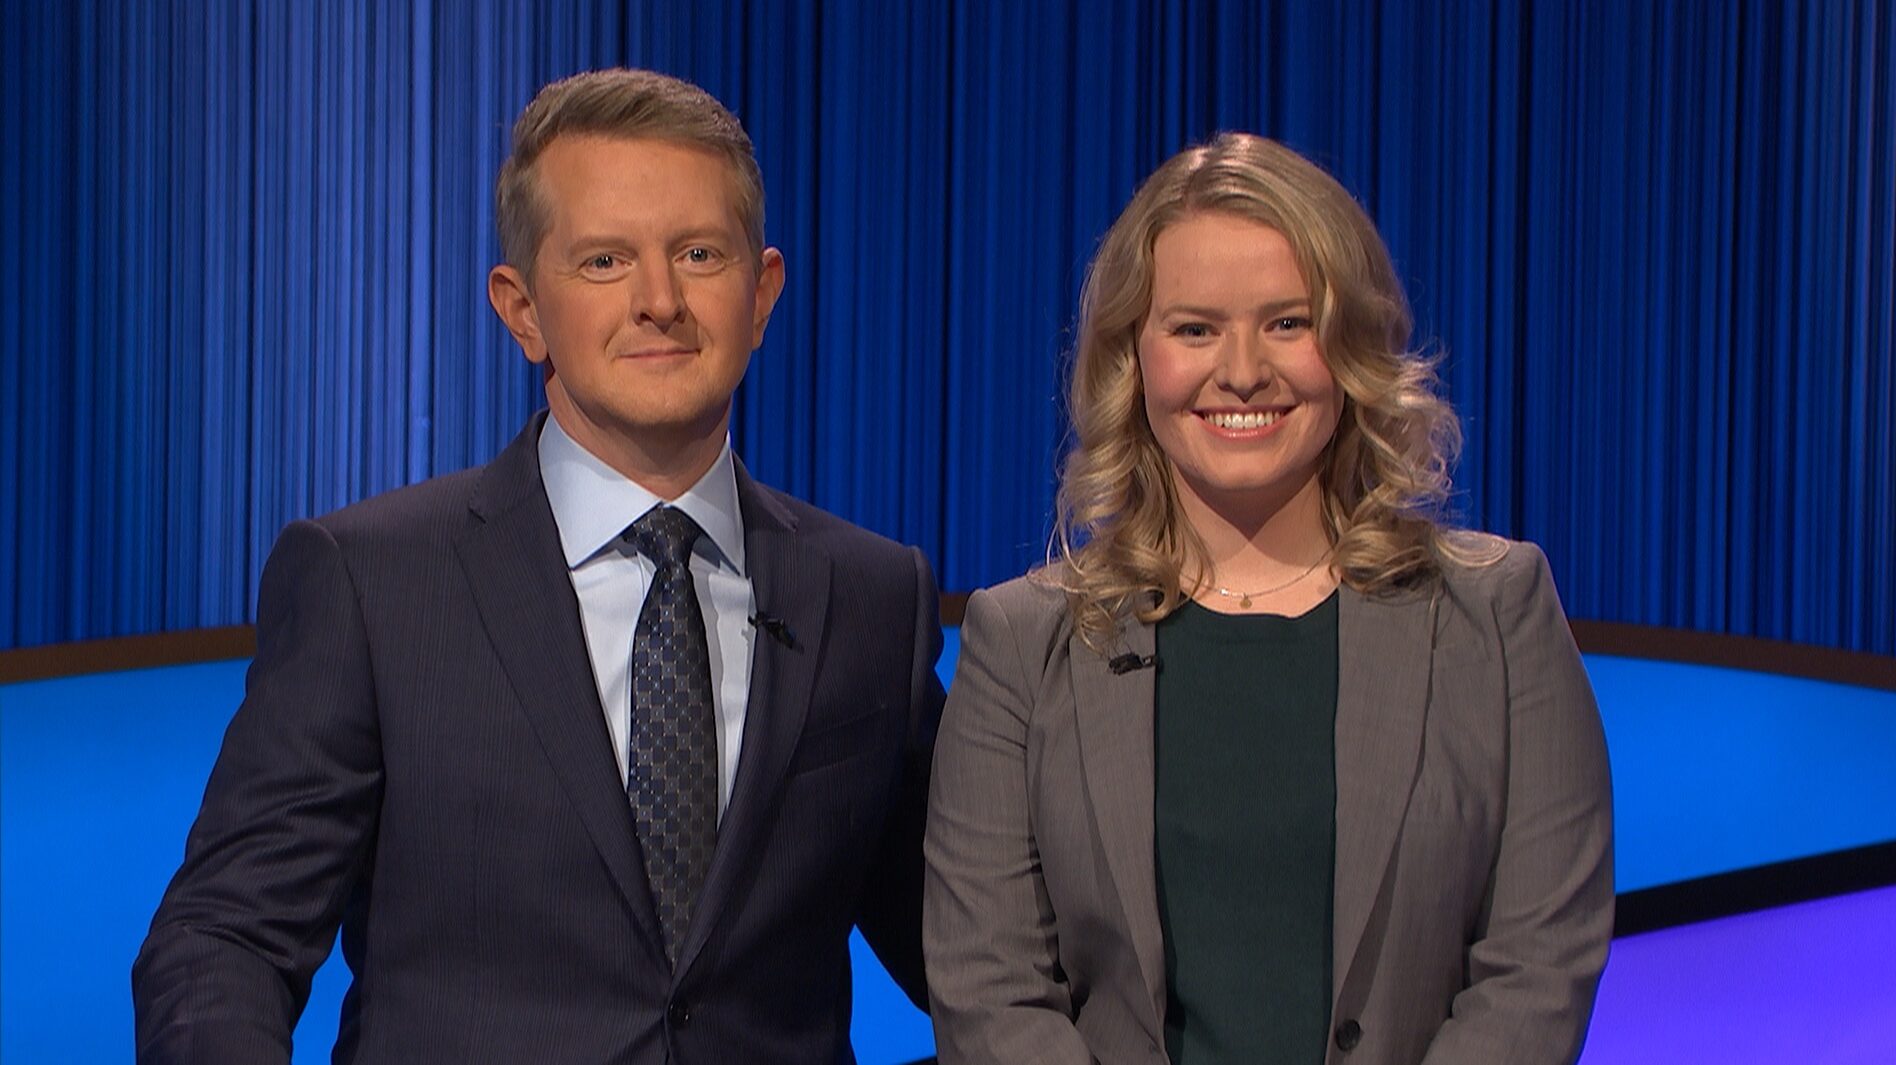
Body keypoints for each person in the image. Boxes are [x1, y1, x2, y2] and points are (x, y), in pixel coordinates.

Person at [134, 68, 943, 1064]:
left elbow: (978, 961)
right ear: (521, 310)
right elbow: (225, 938)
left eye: (698, 253)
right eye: (604, 261)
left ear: (762, 291)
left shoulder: (872, 597)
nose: (660, 302)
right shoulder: (371, 581)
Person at [924, 133, 1612, 1065]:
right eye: (1195, 328)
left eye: (1288, 323)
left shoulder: (1496, 612)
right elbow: (989, 989)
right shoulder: (1021, 642)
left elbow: (1538, 966)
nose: (1242, 371)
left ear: (1352, 347)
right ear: (1135, 356)